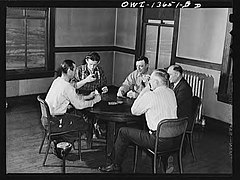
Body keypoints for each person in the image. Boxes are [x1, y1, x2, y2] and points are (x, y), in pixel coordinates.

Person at [99, 69, 178, 173]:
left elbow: (134, 110)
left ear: (156, 82)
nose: (149, 82)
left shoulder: (151, 95)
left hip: (157, 140)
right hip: (175, 139)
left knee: (123, 132)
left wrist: (146, 89)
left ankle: (115, 164)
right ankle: (167, 158)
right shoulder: (171, 92)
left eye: (151, 80)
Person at [45, 59, 101, 145]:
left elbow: (73, 96)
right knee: (85, 124)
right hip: (56, 121)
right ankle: (61, 140)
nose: (75, 72)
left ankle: (60, 139)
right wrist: (94, 101)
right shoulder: (67, 87)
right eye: (74, 70)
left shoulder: (57, 81)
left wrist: (87, 97)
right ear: (69, 71)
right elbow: (79, 106)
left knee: (76, 119)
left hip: (46, 119)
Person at [70, 52, 108, 138]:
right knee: (87, 112)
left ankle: (96, 127)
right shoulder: (79, 70)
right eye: (90, 64)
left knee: (102, 109)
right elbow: (72, 86)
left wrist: (104, 88)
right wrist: (86, 80)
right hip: (81, 95)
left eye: (94, 65)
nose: (92, 67)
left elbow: (103, 83)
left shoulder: (99, 71)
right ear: (87, 61)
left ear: (98, 63)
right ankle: (90, 130)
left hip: (94, 94)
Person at [166, 64, 193, 173]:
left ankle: (165, 151)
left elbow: (174, 105)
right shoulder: (177, 84)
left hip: (181, 121)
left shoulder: (184, 88)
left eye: (170, 75)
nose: (168, 77)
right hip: (178, 115)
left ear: (177, 74)